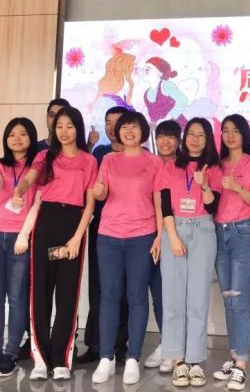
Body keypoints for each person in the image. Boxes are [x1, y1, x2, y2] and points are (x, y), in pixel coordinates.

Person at [14, 106, 97, 381]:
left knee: (67, 295)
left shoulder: (89, 160)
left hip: (73, 224)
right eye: (59, 126)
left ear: (78, 128)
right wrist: (19, 190)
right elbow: (30, 178)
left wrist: (77, 237)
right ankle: (40, 359)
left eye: (69, 126)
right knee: (40, 292)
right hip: (46, 223)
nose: (63, 131)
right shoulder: (44, 156)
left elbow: (89, 204)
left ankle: (61, 359)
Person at [91, 112, 164, 385]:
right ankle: (106, 358)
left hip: (142, 235)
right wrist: (98, 192)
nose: (129, 131)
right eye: (125, 127)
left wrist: (159, 236)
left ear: (143, 131)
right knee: (109, 296)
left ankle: (133, 356)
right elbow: (101, 192)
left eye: (134, 127)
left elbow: (159, 201)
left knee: (137, 297)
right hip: (109, 235)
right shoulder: (109, 160)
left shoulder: (154, 162)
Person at [158, 117, 223, 387]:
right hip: (174, 229)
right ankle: (177, 361)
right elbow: (165, 204)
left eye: (201, 135)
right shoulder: (171, 166)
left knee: (198, 298)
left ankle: (195, 361)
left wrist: (204, 185)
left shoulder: (214, 168)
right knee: (173, 298)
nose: (195, 139)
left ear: (208, 140)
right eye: (191, 134)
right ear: (185, 138)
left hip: (203, 230)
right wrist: (172, 237)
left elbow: (213, 207)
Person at [0, 117, 39, 377]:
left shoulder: (37, 167)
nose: (17, 139)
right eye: (12, 134)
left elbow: (37, 202)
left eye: (23, 134)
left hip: (19, 238)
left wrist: (25, 235)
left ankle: (11, 353)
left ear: (31, 138)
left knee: (17, 298)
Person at [212, 114, 250, 391]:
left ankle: (241, 365)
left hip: (243, 232)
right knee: (228, 300)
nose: (230, 135)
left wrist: (236, 187)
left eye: (235, 131)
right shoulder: (217, 165)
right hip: (219, 233)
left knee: (240, 301)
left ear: (244, 134)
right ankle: (234, 357)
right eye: (225, 131)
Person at [77, 105, 131, 364]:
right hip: (101, 225)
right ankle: (95, 344)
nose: (111, 127)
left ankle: (120, 345)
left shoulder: (141, 155)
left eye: (117, 122)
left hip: (132, 229)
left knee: (124, 289)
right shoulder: (99, 153)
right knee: (99, 287)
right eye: (107, 121)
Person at [142, 119, 182, 373]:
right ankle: (167, 342)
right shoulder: (151, 163)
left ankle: (174, 346)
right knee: (159, 292)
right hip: (150, 233)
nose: (165, 142)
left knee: (175, 293)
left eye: (171, 137)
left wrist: (165, 234)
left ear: (179, 140)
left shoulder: (184, 165)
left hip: (178, 235)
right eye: (161, 137)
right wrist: (158, 234)